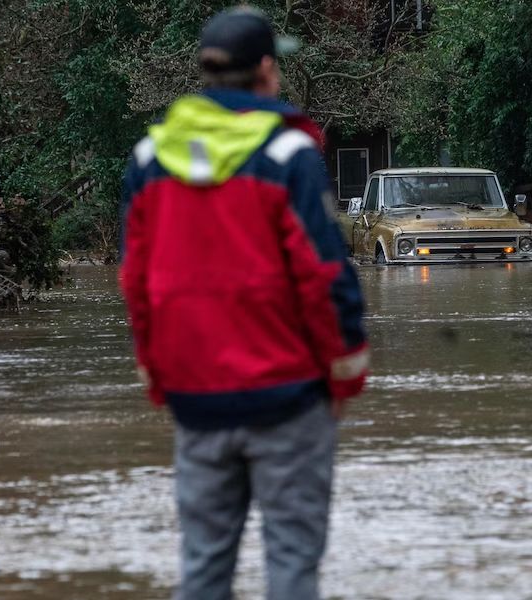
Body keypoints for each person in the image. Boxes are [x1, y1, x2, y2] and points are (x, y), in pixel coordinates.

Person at [119, 7, 369, 599]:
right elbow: (324, 274)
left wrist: (157, 376)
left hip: (196, 397)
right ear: (265, 70)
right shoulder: (288, 156)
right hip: (289, 394)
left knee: (203, 567)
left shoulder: (149, 160)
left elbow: (136, 281)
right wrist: (346, 371)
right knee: (291, 564)